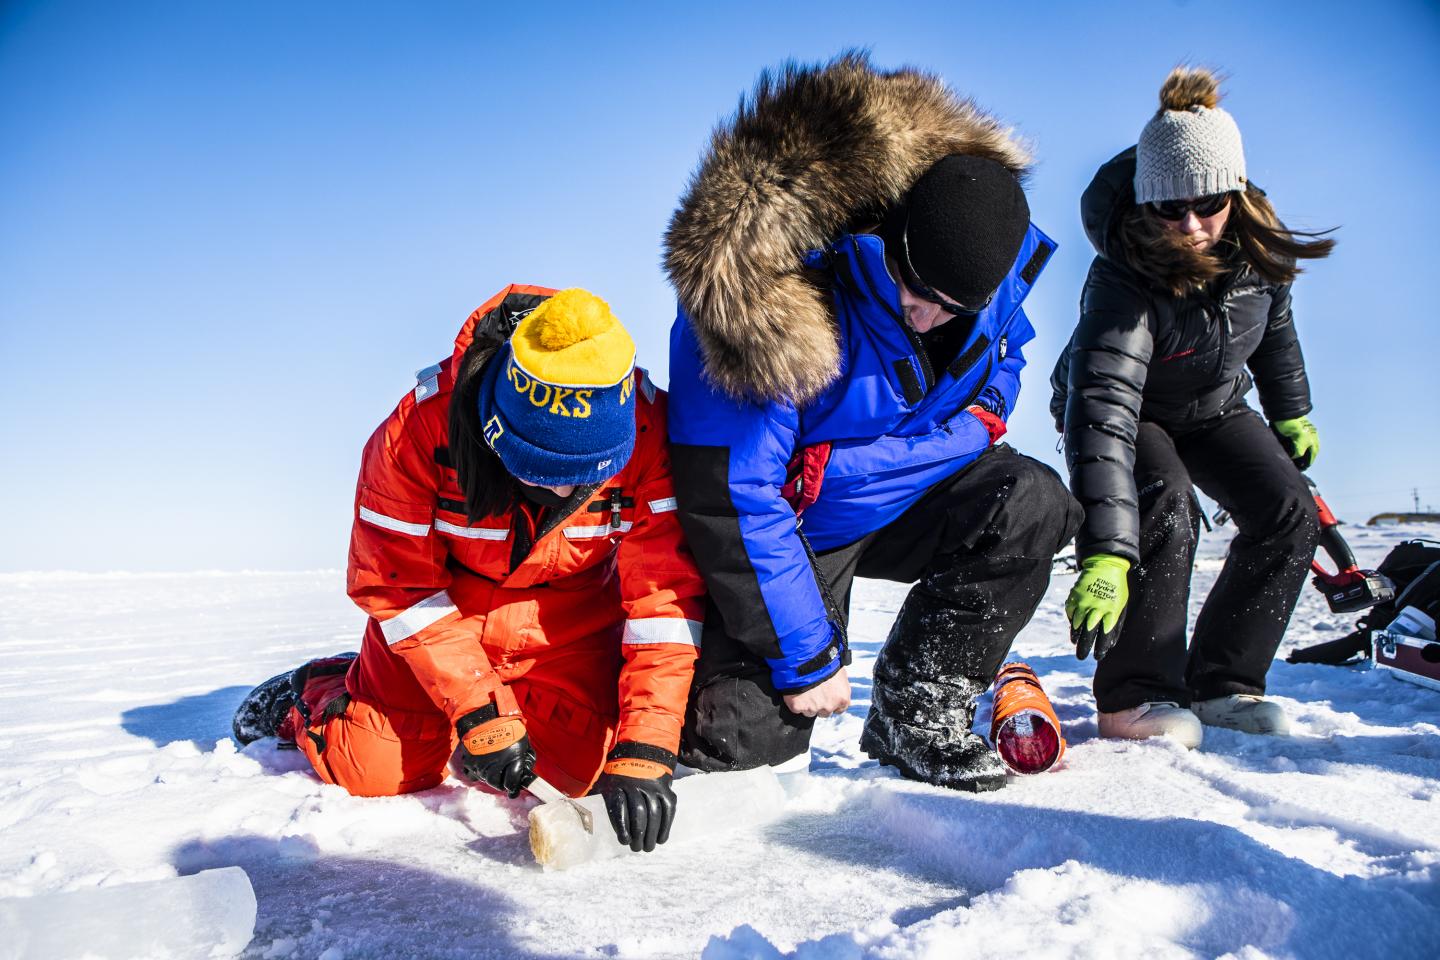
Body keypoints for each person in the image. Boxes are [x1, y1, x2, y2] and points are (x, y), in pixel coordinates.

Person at [663, 53, 1082, 793]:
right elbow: (734, 499)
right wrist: (808, 658)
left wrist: (981, 420)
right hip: (791, 532)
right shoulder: (768, 295)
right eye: (914, 289)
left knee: (1032, 501)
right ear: (889, 232)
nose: (926, 315)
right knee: (743, 756)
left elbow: (1005, 356)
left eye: (952, 307)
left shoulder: (991, 272)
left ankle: (914, 714)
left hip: (902, 499)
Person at [233, 286, 706, 853]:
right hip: (441, 616)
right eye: (541, 468)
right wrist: (482, 713)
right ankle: (318, 687)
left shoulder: (654, 428)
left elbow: (664, 606)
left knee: (589, 773)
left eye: (582, 476)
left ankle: (514, 708)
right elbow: (396, 584)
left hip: (568, 624)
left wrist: (647, 749)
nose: (560, 491)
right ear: (494, 425)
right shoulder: (418, 427)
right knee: (373, 769)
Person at [1050, 67, 1334, 747]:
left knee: (1288, 511)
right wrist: (1108, 554)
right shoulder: (1123, 275)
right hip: (1130, 412)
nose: (1190, 225)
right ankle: (1135, 695)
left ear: (1232, 193)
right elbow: (1104, 406)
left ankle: (1223, 683)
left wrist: (1292, 410)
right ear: (1148, 201)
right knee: (1165, 498)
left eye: (1207, 205)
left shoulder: (1259, 249)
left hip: (1213, 406)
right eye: (1170, 208)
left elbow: (1275, 334)